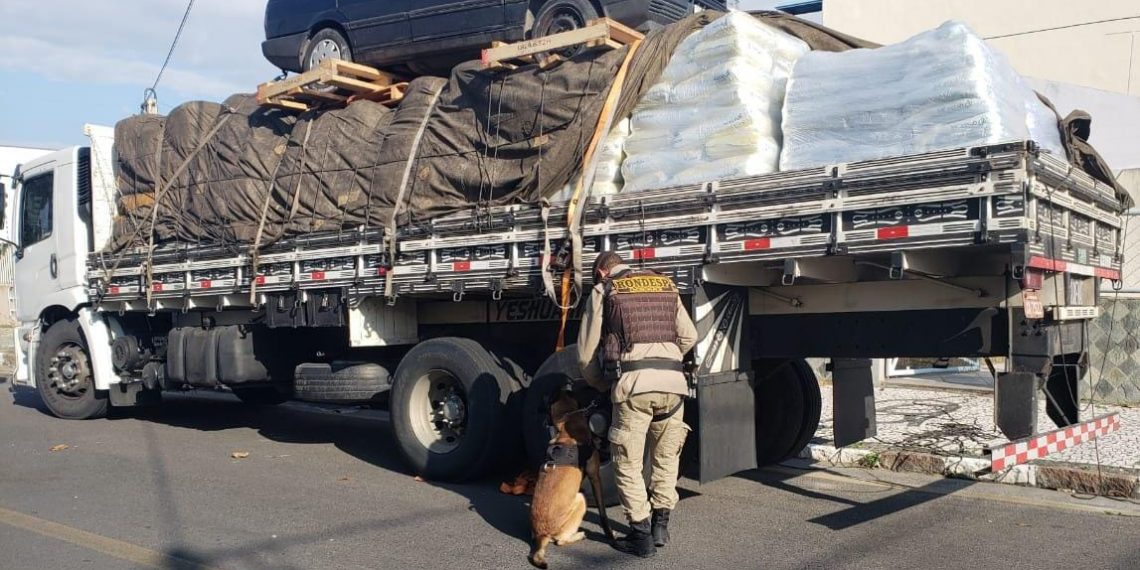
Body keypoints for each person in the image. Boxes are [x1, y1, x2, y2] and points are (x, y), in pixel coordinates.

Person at [577, 250, 698, 558]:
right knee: (666, 457)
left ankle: (640, 534)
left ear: (602, 273)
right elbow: (689, 336)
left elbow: (586, 356)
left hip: (633, 388)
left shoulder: (605, 289)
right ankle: (661, 525)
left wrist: (605, 385)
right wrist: (665, 361)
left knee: (628, 461)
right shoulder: (665, 284)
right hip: (674, 386)